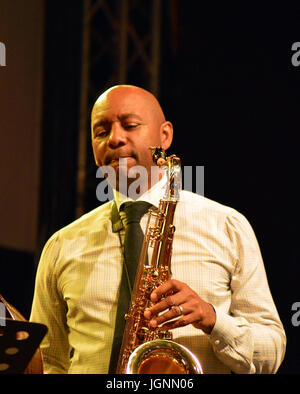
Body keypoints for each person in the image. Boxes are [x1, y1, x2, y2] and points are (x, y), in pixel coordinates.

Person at [30, 84, 286, 374]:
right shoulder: (62, 245)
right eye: (101, 131)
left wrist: (212, 319)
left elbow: (272, 351)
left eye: (130, 125)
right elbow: (48, 362)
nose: (114, 139)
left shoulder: (227, 226)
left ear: (165, 135)